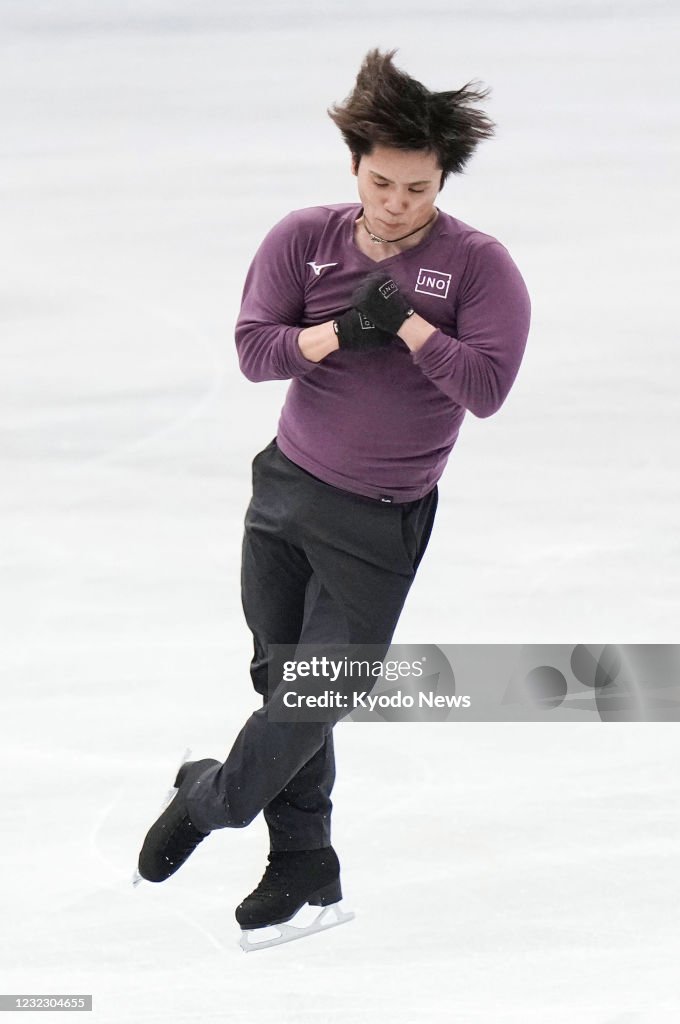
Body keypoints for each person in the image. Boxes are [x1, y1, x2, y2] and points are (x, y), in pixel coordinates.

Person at [136, 48, 531, 944]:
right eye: (384, 183)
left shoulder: (477, 266)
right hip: (282, 493)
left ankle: (208, 799)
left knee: (311, 701)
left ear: (443, 181)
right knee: (284, 683)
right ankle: (305, 866)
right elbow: (251, 350)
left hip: (377, 521)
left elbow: (489, 386)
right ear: (356, 166)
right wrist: (334, 334)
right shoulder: (302, 239)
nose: (398, 204)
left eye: (418, 189)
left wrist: (412, 324)